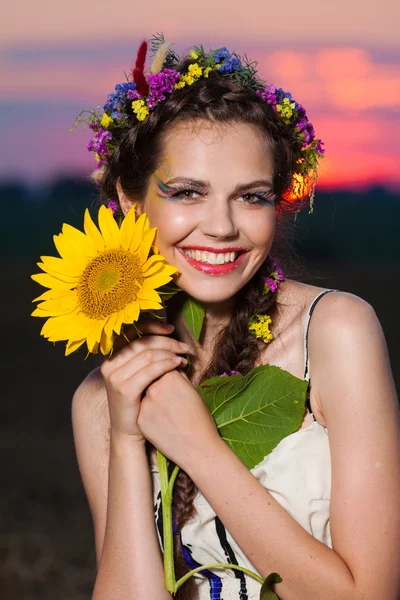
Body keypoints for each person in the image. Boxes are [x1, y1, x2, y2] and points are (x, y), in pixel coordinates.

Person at [71, 37, 400, 600]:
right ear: (130, 201)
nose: (221, 227)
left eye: (251, 197)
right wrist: (127, 440)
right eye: (187, 192)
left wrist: (200, 449)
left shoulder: (335, 334)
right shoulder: (101, 399)